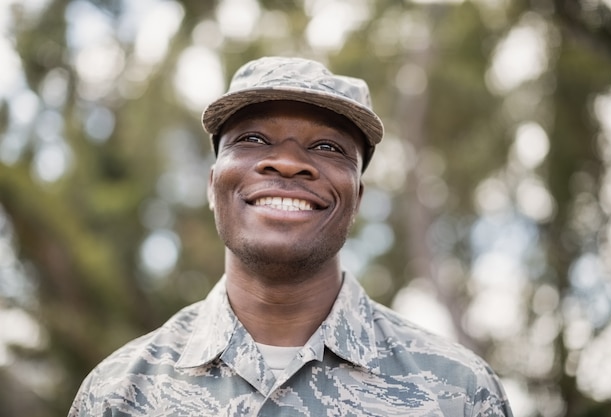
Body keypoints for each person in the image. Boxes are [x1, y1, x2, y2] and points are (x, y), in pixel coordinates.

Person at [69, 56, 513, 416]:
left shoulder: (458, 393)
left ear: (357, 198)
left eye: (327, 147)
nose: (286, 163)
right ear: (212, 185)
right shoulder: (118, 395)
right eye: (254, 139)